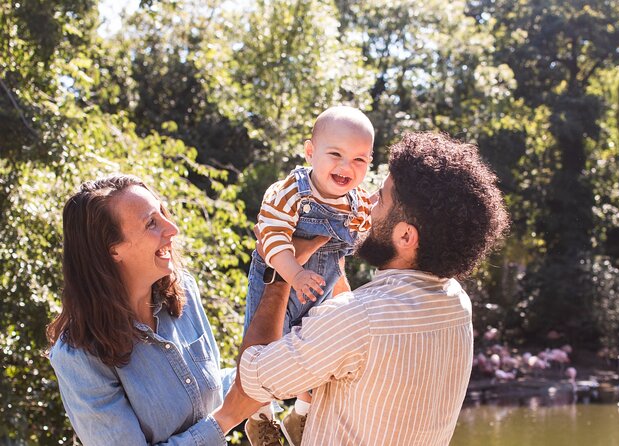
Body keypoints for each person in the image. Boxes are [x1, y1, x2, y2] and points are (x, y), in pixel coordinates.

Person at [219, 132, 510, 445]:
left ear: (406, 237)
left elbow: (252, 379)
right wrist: (333, 266)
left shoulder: (359, 321)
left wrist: (278, 273)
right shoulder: (457, 304)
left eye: (381, 199)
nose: (368, 204)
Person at [47, 175, 232, 445]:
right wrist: (226, 419)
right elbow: (224, 413)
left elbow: (209, 393)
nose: (173, 229)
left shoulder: (184, 293)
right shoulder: (78, 356)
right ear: (113, 251)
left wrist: (268, 374)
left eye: (162, 213)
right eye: (151, 224)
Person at [243, 106, 374, 444]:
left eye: (360, 160)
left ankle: (300, 416)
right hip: (280, 276)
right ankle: (260, 419)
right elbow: (270, 239)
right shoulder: (290, 192)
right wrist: (295, 274)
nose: (347, 167)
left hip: (321, 289)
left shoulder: (357, 203)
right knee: (264, 348)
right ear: (310, 152)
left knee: (323, 353)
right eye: (336, 155)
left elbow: (363, 235)